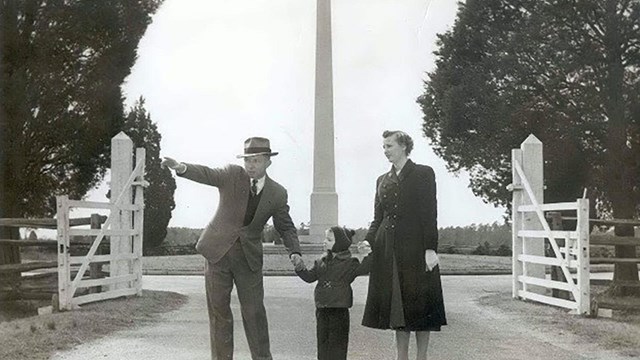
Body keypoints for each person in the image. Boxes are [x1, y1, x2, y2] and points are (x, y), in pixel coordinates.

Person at [161, 137, 303, 360]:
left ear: (268, 162)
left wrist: (294, 251)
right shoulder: (231, 175)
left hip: (249, 259)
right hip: (217, 254)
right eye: (247, 161)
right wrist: (181, 167)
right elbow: (207, 174)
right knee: (219, 313)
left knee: (255, 313)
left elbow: (285, 225)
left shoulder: (277, 193)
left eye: (256, 161)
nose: (250, 166)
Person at [361, 130, 446, 360]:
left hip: (416, 248)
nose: (385, 150)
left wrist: (430, 249)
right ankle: (401, 358)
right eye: (384, 146)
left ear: (404, 146)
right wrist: (368, 241)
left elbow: (430, 213)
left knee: (421, 305)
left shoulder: (423, 173)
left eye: (389, 145)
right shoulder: (382, 180)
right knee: (398, 305)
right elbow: (377, 218)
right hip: (388, 249)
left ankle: (422, 357)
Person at [294, 226, 372, 360]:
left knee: (338, 347)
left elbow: (364, 268)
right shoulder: (320, 262)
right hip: (322, 309)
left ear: (339, 243)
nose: (325, 241)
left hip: (339, 310)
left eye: (329, 239)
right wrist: (300, 267)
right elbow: (309, 277)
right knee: (323, 344)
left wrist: (366, 254)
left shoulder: (350, 263)